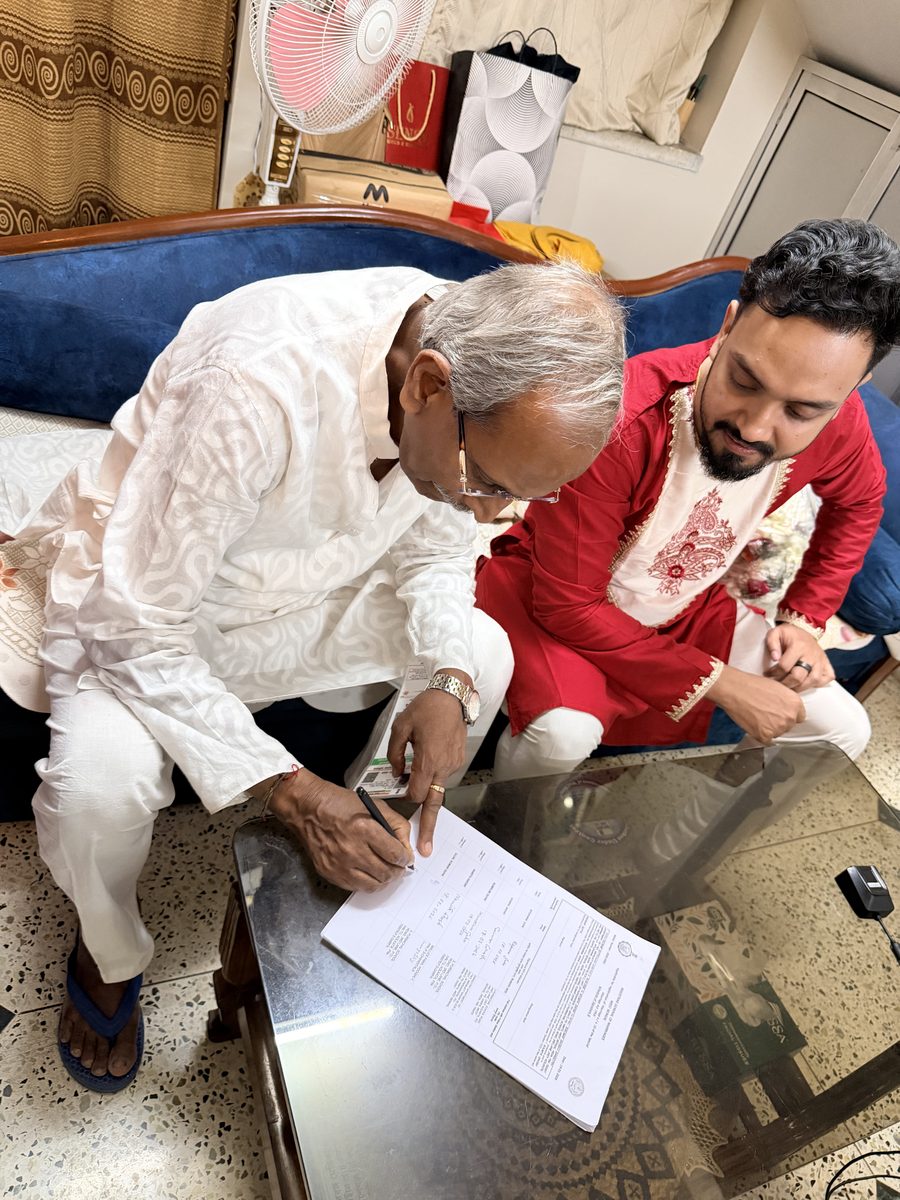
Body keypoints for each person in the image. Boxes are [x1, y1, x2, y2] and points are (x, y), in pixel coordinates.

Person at [0, 259, 626, 1090]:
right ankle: (109, 949)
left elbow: (437, 544)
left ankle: (365, 847)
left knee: (481, 653)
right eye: (487, 483)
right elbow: (139, 625)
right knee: (98, 788)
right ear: (426, 388)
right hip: (157, 601)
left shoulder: (462, 358)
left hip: (314, 588)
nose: (488, 514)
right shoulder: (257, 382)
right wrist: (292, 793)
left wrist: (442, 678)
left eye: (518, 499)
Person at [477, 218, 900, 781]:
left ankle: (686, 854)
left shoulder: (841, 423)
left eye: (801, 411)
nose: (753, 427)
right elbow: (568, 605)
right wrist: (720, 684)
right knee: (561, 734)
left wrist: (802, 617)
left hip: (688, 610)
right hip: (556, 600)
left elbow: (860, 503)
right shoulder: (620, 420)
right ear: (727, 327)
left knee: (844, 727)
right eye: (744, 381)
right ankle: (501, 849)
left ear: (854, 389)